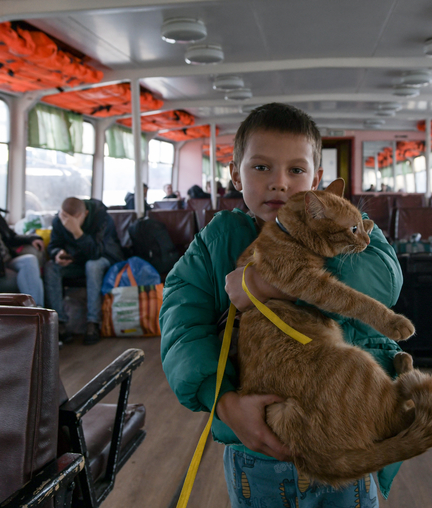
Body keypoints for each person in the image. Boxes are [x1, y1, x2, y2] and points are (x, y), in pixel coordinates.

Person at [160, 103, 404, 506]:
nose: (279, 184)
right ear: (235, 172)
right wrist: (222, 401)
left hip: (345, 433)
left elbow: (383, 281)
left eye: (296, 170)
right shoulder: (216, 241)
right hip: (255, 443)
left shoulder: (348, 224)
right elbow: (182, 322)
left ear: (317, 179)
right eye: (260, 168)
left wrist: (266, 285)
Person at [44, 197, 123, 345]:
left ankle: (93, 322)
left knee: (92, 265)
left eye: (71, 221)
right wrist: (57, 253)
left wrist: (77, 232)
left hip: (105, 258)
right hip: (76, 260)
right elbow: (54, 244)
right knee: (51, 267)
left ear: (84, 214)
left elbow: (96, 253)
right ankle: (58, 323)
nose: (66, 224)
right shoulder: (58, 220)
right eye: (64, 219)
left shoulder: (102, 218)